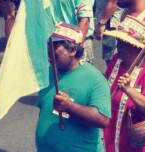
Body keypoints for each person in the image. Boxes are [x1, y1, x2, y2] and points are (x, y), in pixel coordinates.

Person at [36, 23, 110, 152]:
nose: (49, 50)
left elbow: (103, 119)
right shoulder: (48, 73)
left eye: (55, 45)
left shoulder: (94, 79)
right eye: (48, 44)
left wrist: (70, 106)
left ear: (73, 50)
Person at [103, 16, 145, 152]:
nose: (117, 46)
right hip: (113, 137)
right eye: (118, 41)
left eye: (122, 43)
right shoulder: (116, 60)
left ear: (135, 46)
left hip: (140, 144)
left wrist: (129, 90)